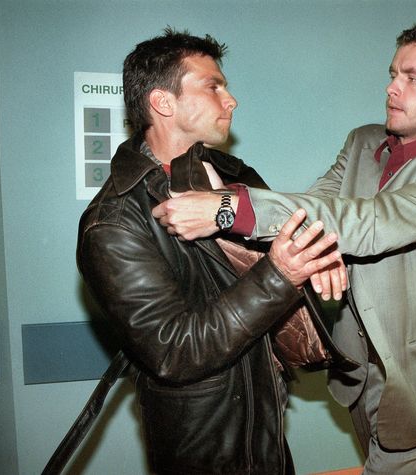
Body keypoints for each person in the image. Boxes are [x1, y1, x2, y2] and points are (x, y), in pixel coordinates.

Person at [152, 24, 416, 474]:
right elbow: (320, 205)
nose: (392, 87)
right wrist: (319, 245)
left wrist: (229, 207)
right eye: (393, 74)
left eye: (412, 78)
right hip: (358, 361)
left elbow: (374, 222)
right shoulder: (363, 141)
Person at [76, 28, 347, 475]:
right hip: (204, 441)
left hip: (265, 417)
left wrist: (313, 257)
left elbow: (272, 262)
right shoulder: (114, 222)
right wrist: (280, 274)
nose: (231, 100)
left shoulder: (233, 173)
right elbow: (174, 351)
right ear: (163, 103)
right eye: (213, 86)